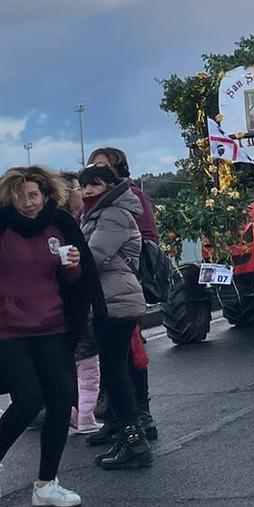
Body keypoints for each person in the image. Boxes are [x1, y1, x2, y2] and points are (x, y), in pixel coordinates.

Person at [0, 166, 105, 506]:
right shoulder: (2, 226)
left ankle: (46, 484)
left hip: (53, 326)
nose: (28, 203)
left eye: (33, 195)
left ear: (46, 195)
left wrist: (72, 266)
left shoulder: (60, 224)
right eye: (21, 196)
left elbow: (78, 281)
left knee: (61, 402)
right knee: (29, 398)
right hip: (9, 330)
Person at [78, 163, 152, 470]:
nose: (87, 191)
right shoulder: (97, 213)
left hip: (116, 301)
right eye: (84, 186)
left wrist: (63, 260)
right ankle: (127, 434)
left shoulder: (114, 214)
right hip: (108, 300)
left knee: (116, 371)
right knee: (113, 370)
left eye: (94, 185)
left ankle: (135, 442)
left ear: (110, 186)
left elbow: (93, 256)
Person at [58, 172, 103, 435]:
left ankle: (71, 413)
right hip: (77, 305)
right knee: (88, 366)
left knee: (63, 366)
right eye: (78, 187)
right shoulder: (69, 225)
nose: (82, 193)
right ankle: (85, 416)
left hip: (55, 309)